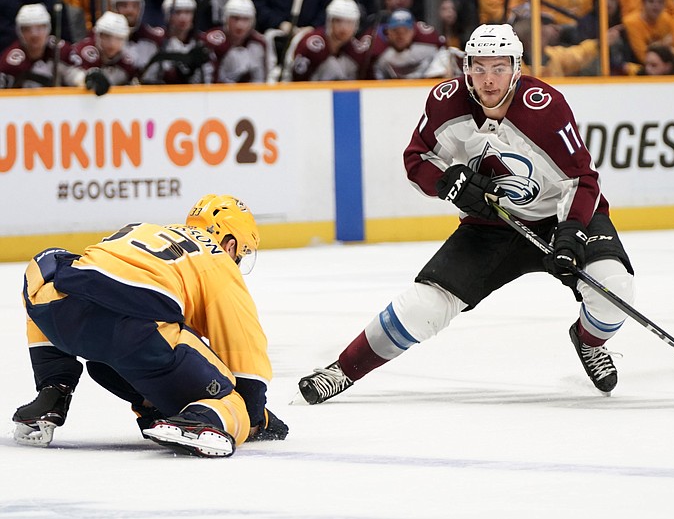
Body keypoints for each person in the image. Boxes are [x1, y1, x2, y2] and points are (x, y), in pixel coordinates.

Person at [296, 24, 635, 405]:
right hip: (492, 223)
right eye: (479, 68)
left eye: (499, 67)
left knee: (614, 287)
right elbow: (417, 160)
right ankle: (342, 369)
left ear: (517, 68)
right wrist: (446, 182)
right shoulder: (447, 102)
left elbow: (582, 179)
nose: (489, 80)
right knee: (426, 304)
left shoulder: (546, 109)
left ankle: (589, 342)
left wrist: (571, 234)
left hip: (560, 217)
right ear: (466, 68)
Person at [12, 194, 288, 458]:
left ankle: (53, 391)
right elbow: (245, 354)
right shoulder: (218, 262)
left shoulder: (141, 230)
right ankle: (201, 419)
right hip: (136, 331)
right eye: (241, 252)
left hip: (62, 310)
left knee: (45, 275)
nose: (238, 261)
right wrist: (254, 414)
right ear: (229, 244)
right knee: (233, 399)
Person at [282, 0, 369, 81]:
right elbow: (297, 79)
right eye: (338, 21)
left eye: (350, 22)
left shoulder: (356, 50)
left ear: (356, 25)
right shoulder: (311, 44)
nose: (344, 28)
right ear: (329, 21)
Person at [61, 11, 139, 95]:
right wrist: (84, 79)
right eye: (106, 36)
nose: (112, 43)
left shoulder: (127, 61)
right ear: (97, 35)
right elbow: (70, 74)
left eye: (118, 38)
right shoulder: (85, 50)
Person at [0, 4, 75, 88]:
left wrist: (82, 78)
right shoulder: (10, 63)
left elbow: (78, 76)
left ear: (48, 29)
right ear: (19, 32)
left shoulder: (61, 51)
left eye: (40, 28)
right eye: (27, 29)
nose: (34, 35)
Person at [140, 0, 213, 84]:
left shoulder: (202, 43)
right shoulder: (156, 41)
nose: (183, 18)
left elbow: (208, 79)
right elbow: (146, 79)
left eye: (187, 12)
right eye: (177, 12)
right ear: (168, 15)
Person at [368, 8, 452, 79]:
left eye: (405, 31)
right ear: (388, 32)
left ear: (413, 32)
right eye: (396, 31)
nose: (400, 36)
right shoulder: (382, 59)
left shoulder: (430, 51)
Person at [201, 0, 269, 82]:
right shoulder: (212, 40)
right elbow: (206, 79)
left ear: (253, 21)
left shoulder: (258, 43)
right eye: (235, 18)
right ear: (225, 18)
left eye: (245, 19)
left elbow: (260, 80)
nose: (239, 25)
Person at [109, 0, 166, 76]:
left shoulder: (153, 39)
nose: (129, 10)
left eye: (135, 5)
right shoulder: (99, 38)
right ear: (113, 8)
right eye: (123, 5)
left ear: (141, 8)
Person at [622, 0, 674, 65]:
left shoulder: (666, 19)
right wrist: (663, 44)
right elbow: (643, 57)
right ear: (643, 3)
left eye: (660, 2)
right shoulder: (631, 23)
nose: (656, 5)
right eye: (651, 1)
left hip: (662, 66)